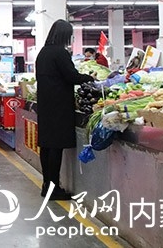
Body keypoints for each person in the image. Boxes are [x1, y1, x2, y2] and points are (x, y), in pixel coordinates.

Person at [36, 20, 95, 201]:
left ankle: (47, 185)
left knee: (46, 146)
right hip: (58, 105)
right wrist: (89, 78)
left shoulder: (43, 52)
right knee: (56, 146)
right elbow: (71, 76)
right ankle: (54, 189)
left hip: (45, 104)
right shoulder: (60, 53)